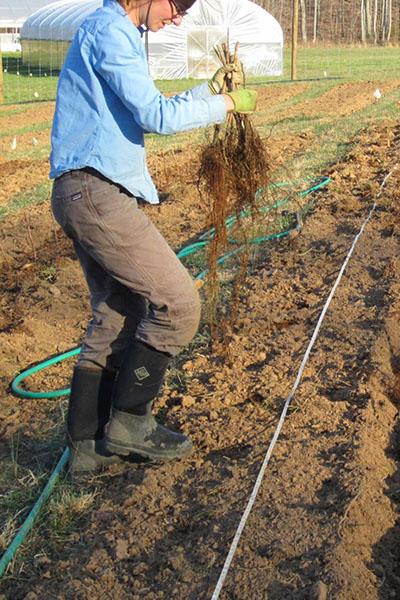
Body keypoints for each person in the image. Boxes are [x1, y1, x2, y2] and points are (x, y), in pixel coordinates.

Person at [49, 0, 256, 474]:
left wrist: (208, 90)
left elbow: (152, 105)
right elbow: (155, 116)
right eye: (177, 4)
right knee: (179, 304)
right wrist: (225, 105)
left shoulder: (109, 31)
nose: (180, 16)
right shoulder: (110, 30)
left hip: (84, 191)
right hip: (97, 192)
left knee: (117, 313)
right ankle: (130, 422)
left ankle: (87, 447)